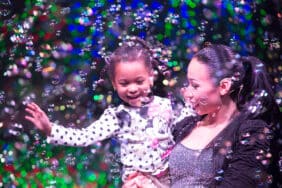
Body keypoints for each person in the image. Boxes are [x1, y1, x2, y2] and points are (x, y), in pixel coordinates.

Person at [24, 36, 194, 186]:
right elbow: (85, 136)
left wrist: (190, 104)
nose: (133, 88)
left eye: (139, 81)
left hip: (170, 179)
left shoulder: (165, 106)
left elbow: (185, 127)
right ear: (114, 84)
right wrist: (50, 129)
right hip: (139, 182)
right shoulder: (116, 117)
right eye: (124, 83)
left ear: (150, 77)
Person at [124, 44, 280, 187]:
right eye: (188, 84)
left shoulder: (252, 132)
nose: (188, 94)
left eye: (195, 85)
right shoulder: (185, 126)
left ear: (224, 86)